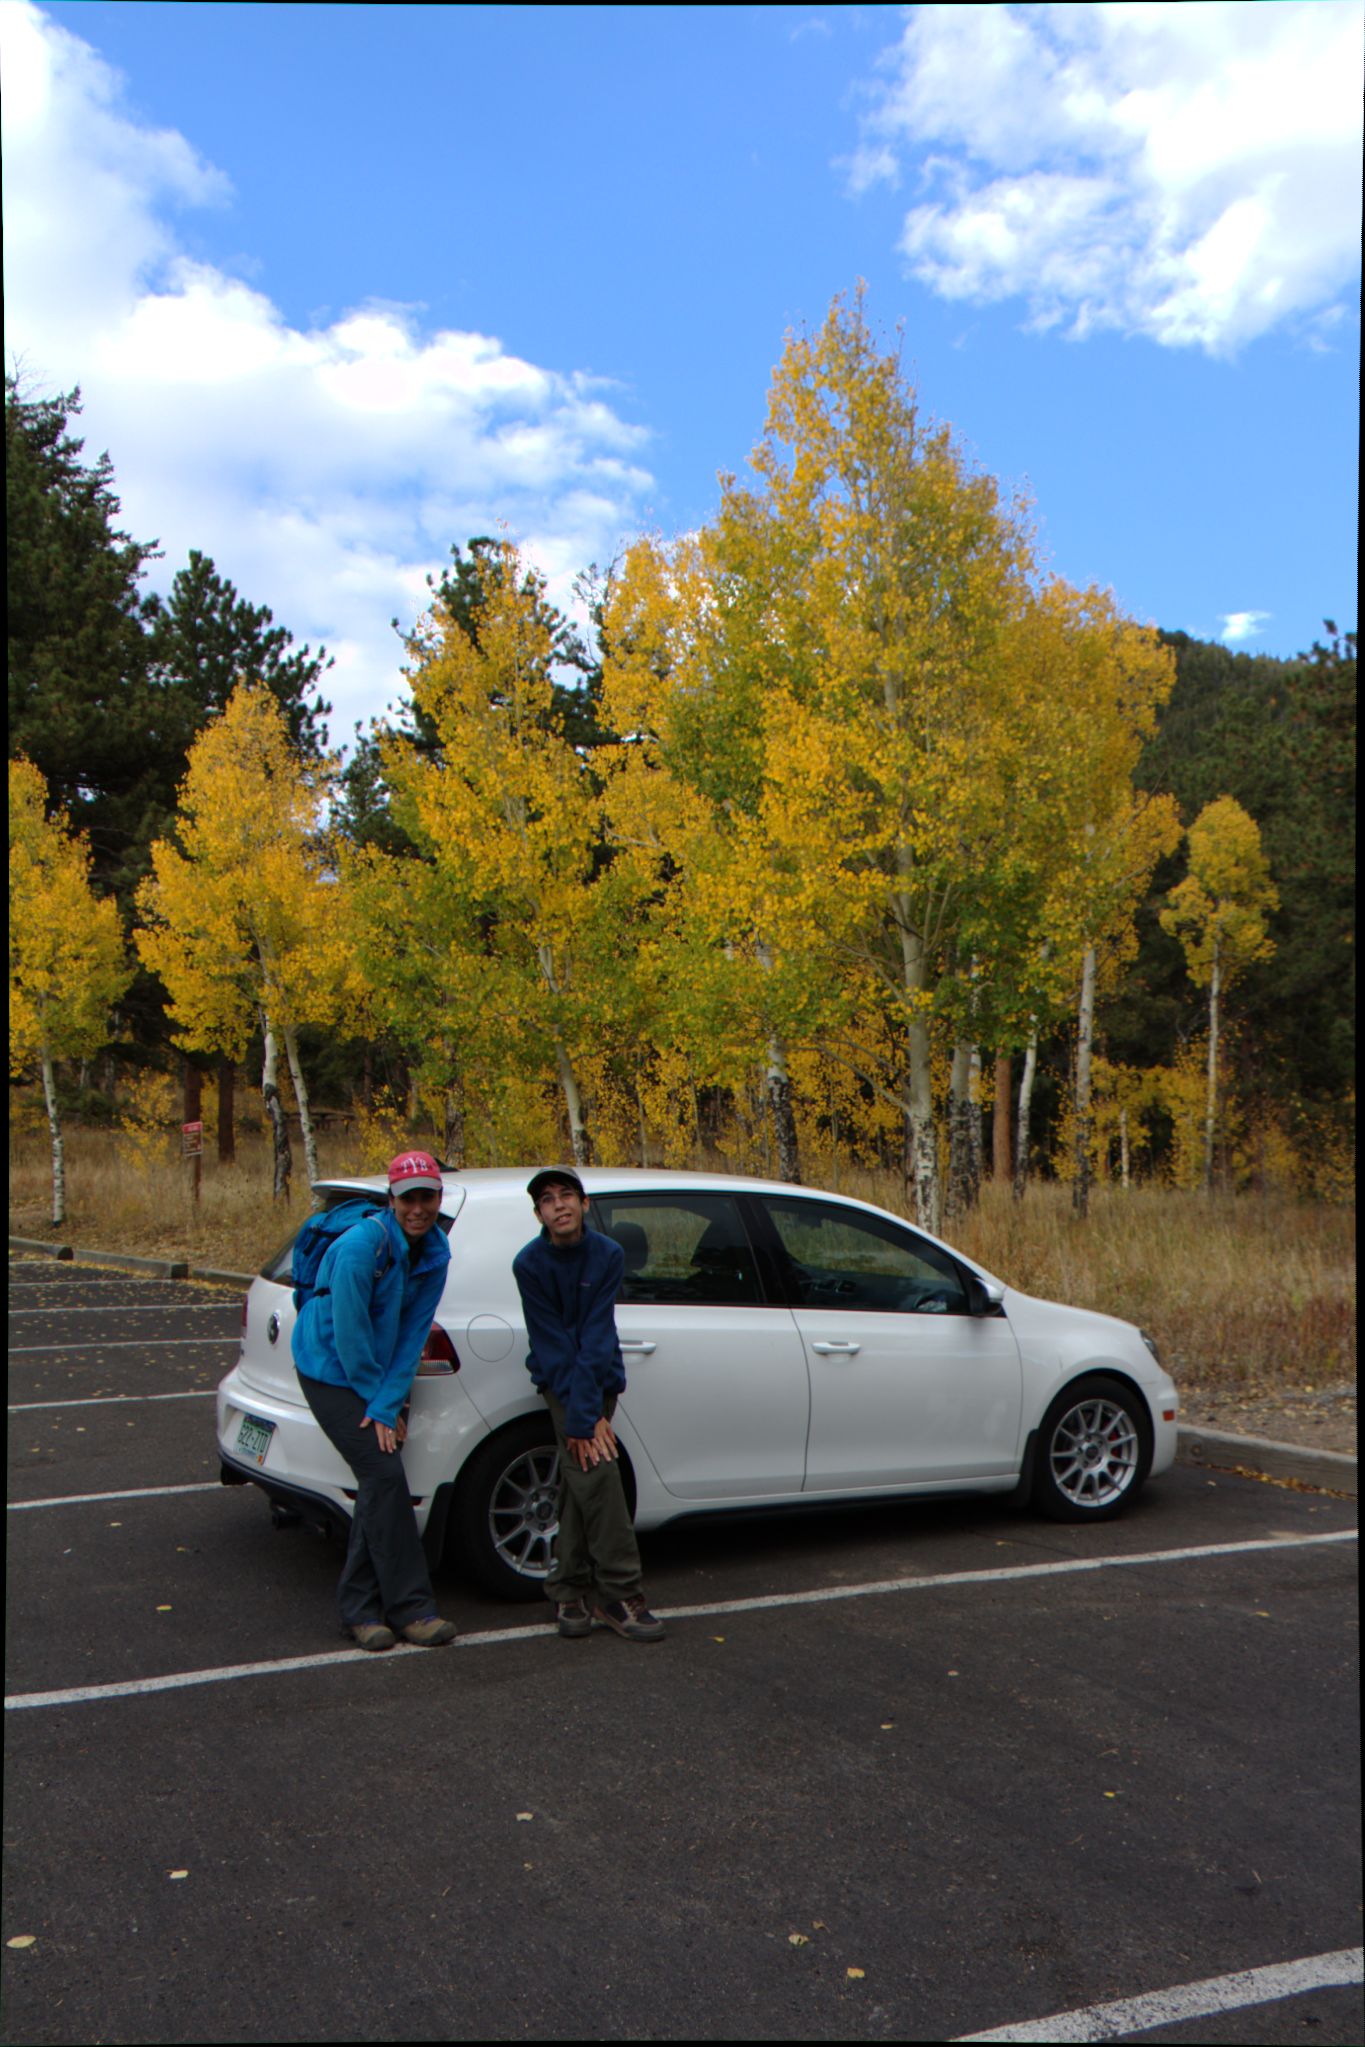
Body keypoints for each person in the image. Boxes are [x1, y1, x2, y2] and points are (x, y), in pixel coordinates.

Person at [292, 1149, 458, 1652]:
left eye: (427, 1197)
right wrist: (379, 1404)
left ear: (437, 1197)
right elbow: (349, 1335)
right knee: (384, 1475)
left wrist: (388, 1400)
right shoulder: (362, 1246)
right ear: (392, 1199)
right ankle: (411, 1608)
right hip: (328, 1367)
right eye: (408, 1198)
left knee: (378, 1483)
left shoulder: (435, 1252)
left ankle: (363, 1612)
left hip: (378, 1372)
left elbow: (411, 1335)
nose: (418, 1209)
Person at [512, 1167, 666, 1642]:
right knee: (598, 1475)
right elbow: (554, 1344)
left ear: (582, 1204)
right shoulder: (529, 1264)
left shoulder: (607, 1255)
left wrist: (592, 1414)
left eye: (566, 1196)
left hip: (601, 1380)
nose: (558, 1205)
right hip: (560, 1382)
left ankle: (569, 1588)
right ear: (538, 1213)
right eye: (547, 1200)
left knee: (583, 1480)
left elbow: (598, 1335)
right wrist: (583, 1418)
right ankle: (619, 1593)